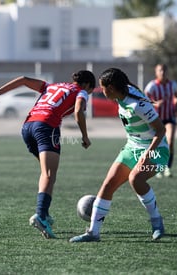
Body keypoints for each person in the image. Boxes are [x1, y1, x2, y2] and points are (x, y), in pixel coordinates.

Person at [0, 70, 96, 239]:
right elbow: (78, 112)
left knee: (46, 172)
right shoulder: (81, 91)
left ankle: (44, 213)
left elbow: (24, 79)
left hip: (28, 127)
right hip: (47, 127)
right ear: (88, 85)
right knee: (49, 174)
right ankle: (40, 215)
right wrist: (85, 136)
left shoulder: (52, 86)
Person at [69, 68, 169, 243]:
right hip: (132, 147)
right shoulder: (121, 94)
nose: (101, 91)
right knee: (108, 185)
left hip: (157, 150)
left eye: (103, 88)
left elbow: (161, 130)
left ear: (113, 88)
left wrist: (148, 153)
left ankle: (157, 222)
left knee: (136, 179)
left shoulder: (137, 105)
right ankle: (93, 233)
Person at [144, 64, 177, 178]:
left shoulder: (172, 84)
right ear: (156, 72)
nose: (162, 72)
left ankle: (167, 168)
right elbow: (144, 100)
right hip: (156, 119)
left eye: (164, 70)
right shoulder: (152, 86)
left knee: (170, 141)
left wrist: (176, 104)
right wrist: (155, 103)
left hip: (169, 118)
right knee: (156, 144)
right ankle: (158, 168)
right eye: (160, 70)